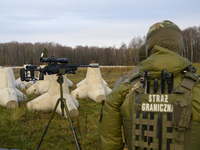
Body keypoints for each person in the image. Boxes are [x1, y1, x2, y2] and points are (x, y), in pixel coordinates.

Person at [99, 20, 200, 150]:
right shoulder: (196, 88)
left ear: (149, 47)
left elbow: (110, 142)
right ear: (179, 46)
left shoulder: (124, 89)